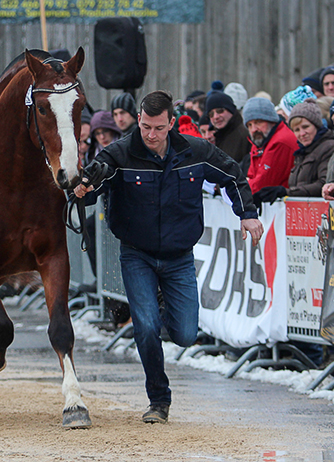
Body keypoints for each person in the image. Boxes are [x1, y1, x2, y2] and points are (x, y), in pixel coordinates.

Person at [73, 91, 263, 424]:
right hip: (137, 254)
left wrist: (246, 213)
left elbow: (232, 173)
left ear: (171, 123)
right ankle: (159, 399)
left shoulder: (194, 151)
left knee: (186, 334)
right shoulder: (121, 153)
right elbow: (92, 184)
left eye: (159, 128)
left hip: (179, 257)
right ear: (139, 120)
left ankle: (159, 304)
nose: (151, 134)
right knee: (146, 328)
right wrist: (83, 187)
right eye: (146, 126)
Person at [242, 96, 298, 194]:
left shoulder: (280, 142)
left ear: (271, 120)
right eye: (249, 125)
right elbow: (251, 176)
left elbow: (263, 185)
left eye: (258, 122)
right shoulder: (260, 140)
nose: (254, 129)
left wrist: (239, 189)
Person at [206, 91, 251, 168]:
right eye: (211, 114)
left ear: (231, 110)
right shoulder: (219, 137)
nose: (216, 117)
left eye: (220, 111)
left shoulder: (244, 136)